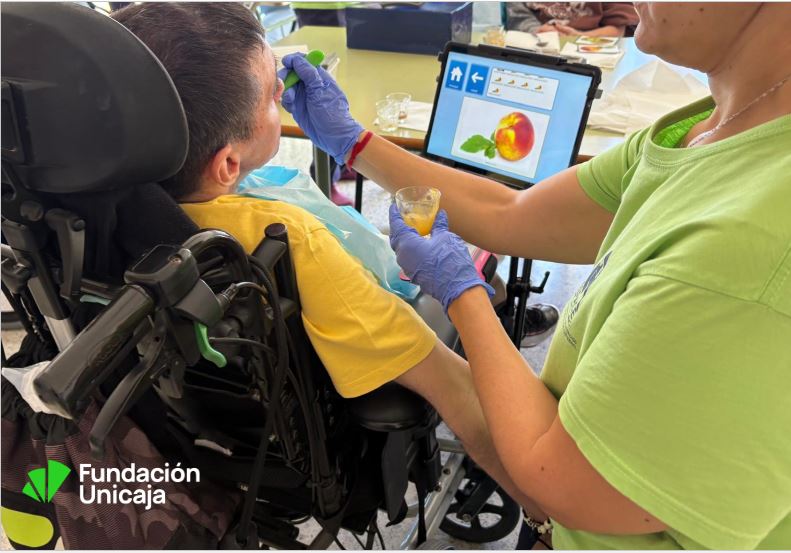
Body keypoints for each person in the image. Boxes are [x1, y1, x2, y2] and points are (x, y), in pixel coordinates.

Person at [279, 2, 791, 549]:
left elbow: (560, 483)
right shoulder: (707, 128)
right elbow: (510, 214)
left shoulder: (754, 249)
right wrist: (354, 143)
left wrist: (462, 293)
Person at [110, 2, 540, 517]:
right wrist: (550, 508)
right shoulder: (292, 240)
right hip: (307, 435)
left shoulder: (94, 207)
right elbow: (464, 400)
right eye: (274, 95)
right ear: (228, 163)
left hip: (174, 424)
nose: (281, 96)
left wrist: (351, 141)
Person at [506, 2, 638, 37]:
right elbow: (519, 17)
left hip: (592, 46)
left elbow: (617, 28)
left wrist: (580, 36)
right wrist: (536, 29)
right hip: (535, 43)